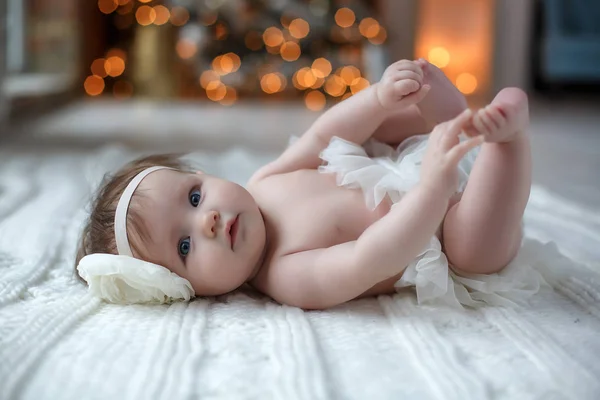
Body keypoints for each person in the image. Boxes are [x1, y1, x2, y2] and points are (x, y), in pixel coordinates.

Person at [76, 59, 546, 309]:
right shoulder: (285, 276)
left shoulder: (264, 181)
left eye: (195, 198)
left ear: (202, 176)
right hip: (435, 237)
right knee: (473, 250)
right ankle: (508, 140)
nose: (210, 221)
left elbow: (325, 136)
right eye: (184, 246)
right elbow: (371, 257)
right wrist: (432, 192)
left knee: (387, 125)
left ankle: (458, 117)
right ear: (189, 289)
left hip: (412, 166)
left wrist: (379, 99)